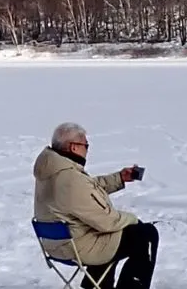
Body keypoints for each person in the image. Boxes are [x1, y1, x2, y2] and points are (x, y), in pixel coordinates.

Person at [32, 122, 159, 289]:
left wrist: (119, 178)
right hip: (76, 247)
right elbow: (107, 221)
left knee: (113, 234)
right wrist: (134, 219)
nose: (87, 149)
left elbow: (88, 188)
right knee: (145, 234)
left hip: (56, 243)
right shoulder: (70, 178)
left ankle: (97, 285)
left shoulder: (53, 169)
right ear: (74, 147)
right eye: (86, 145)